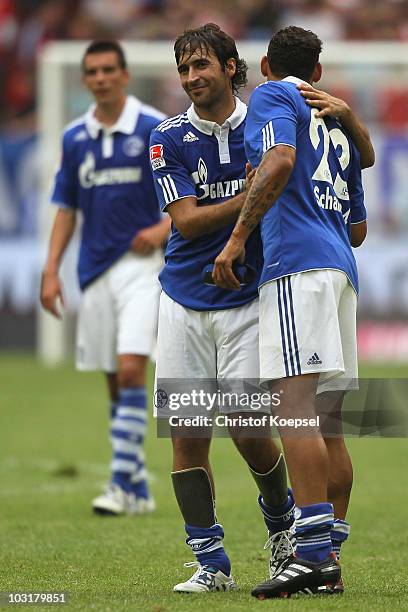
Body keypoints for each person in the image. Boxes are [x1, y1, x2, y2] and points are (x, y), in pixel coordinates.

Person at [149, 23, 373, 594]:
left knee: (259, 428)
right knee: (189, 432)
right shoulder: (166, 137)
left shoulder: (277, 111)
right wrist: (247, 199)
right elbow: (187, 220)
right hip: (184, 297)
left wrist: (253, 208)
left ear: (236, 66)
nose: (192, 77)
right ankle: (211, 563)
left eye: (202, 65)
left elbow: (278, 169)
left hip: (256, 296)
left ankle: (292, 538)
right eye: (183, 69)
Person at [213, 26, 369, 598]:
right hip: (341, 271)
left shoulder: (276, 98)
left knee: (295, 410)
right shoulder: (337, 120)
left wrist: (237, 238)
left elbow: (278, 161)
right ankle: (328, 559)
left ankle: (309, 556)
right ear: (319, 73)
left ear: (263, 65)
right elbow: (358, 227)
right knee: (328, 420)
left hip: (296, 267)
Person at [40, 40, 170, 516]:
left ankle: (118, 482)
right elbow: (66, 208)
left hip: (143, 269)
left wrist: (161, 228)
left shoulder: (154, 127)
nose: (101, 78)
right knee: (115, 380)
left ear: (124, 74)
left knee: (134, 367)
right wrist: (51, 269)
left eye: (108, 69)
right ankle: (138, 488)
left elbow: (191, 195)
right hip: (93, 271)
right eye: (92, 71)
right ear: (85, 79)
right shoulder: (76, 138)